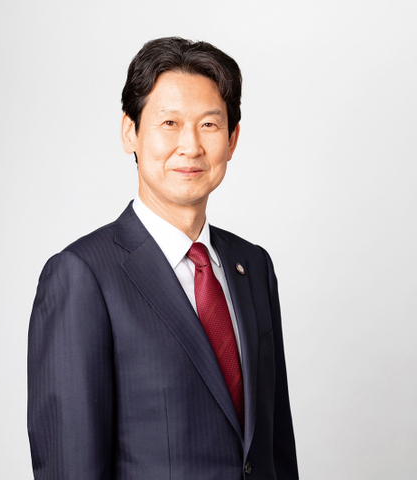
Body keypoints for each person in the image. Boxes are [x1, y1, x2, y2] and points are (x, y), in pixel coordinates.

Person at [28, 37, 298, 480]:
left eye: (209, 125)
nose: (190, 146)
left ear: (232, 139)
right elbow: (70, 465)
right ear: (130, 132)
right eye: (169, 122)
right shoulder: (82, 275)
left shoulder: (252, 266)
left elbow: (274, 447)